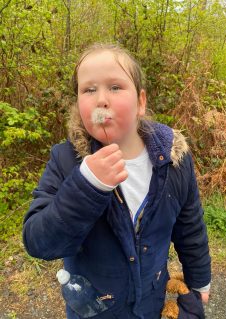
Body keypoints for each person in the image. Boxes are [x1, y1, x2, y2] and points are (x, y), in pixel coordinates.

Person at [23, 43, 211, 319]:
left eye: (115, 87)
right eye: (89, 89)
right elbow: (39, 242)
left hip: (152, 303)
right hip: (94, 309)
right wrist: (86, 186)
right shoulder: (66, 161)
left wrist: (199, 279)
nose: (101, 99)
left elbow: (190, 226)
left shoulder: (174, 161)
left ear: (141, 103)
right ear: (78, 104)